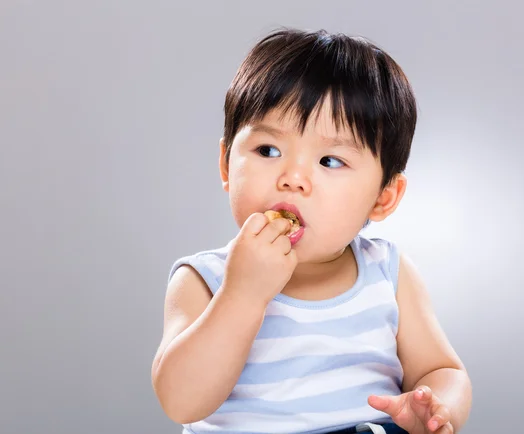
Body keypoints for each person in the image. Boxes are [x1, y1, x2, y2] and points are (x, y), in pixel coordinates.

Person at [151, 28, 472, 434]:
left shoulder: (387, 274)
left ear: (383, 197)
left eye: (330, 161)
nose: (294, 178)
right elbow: (181, 401)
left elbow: (444, 370)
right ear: (225, 164)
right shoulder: (205, 279)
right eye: (268, 151)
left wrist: (436, 405)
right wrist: (242, 295)